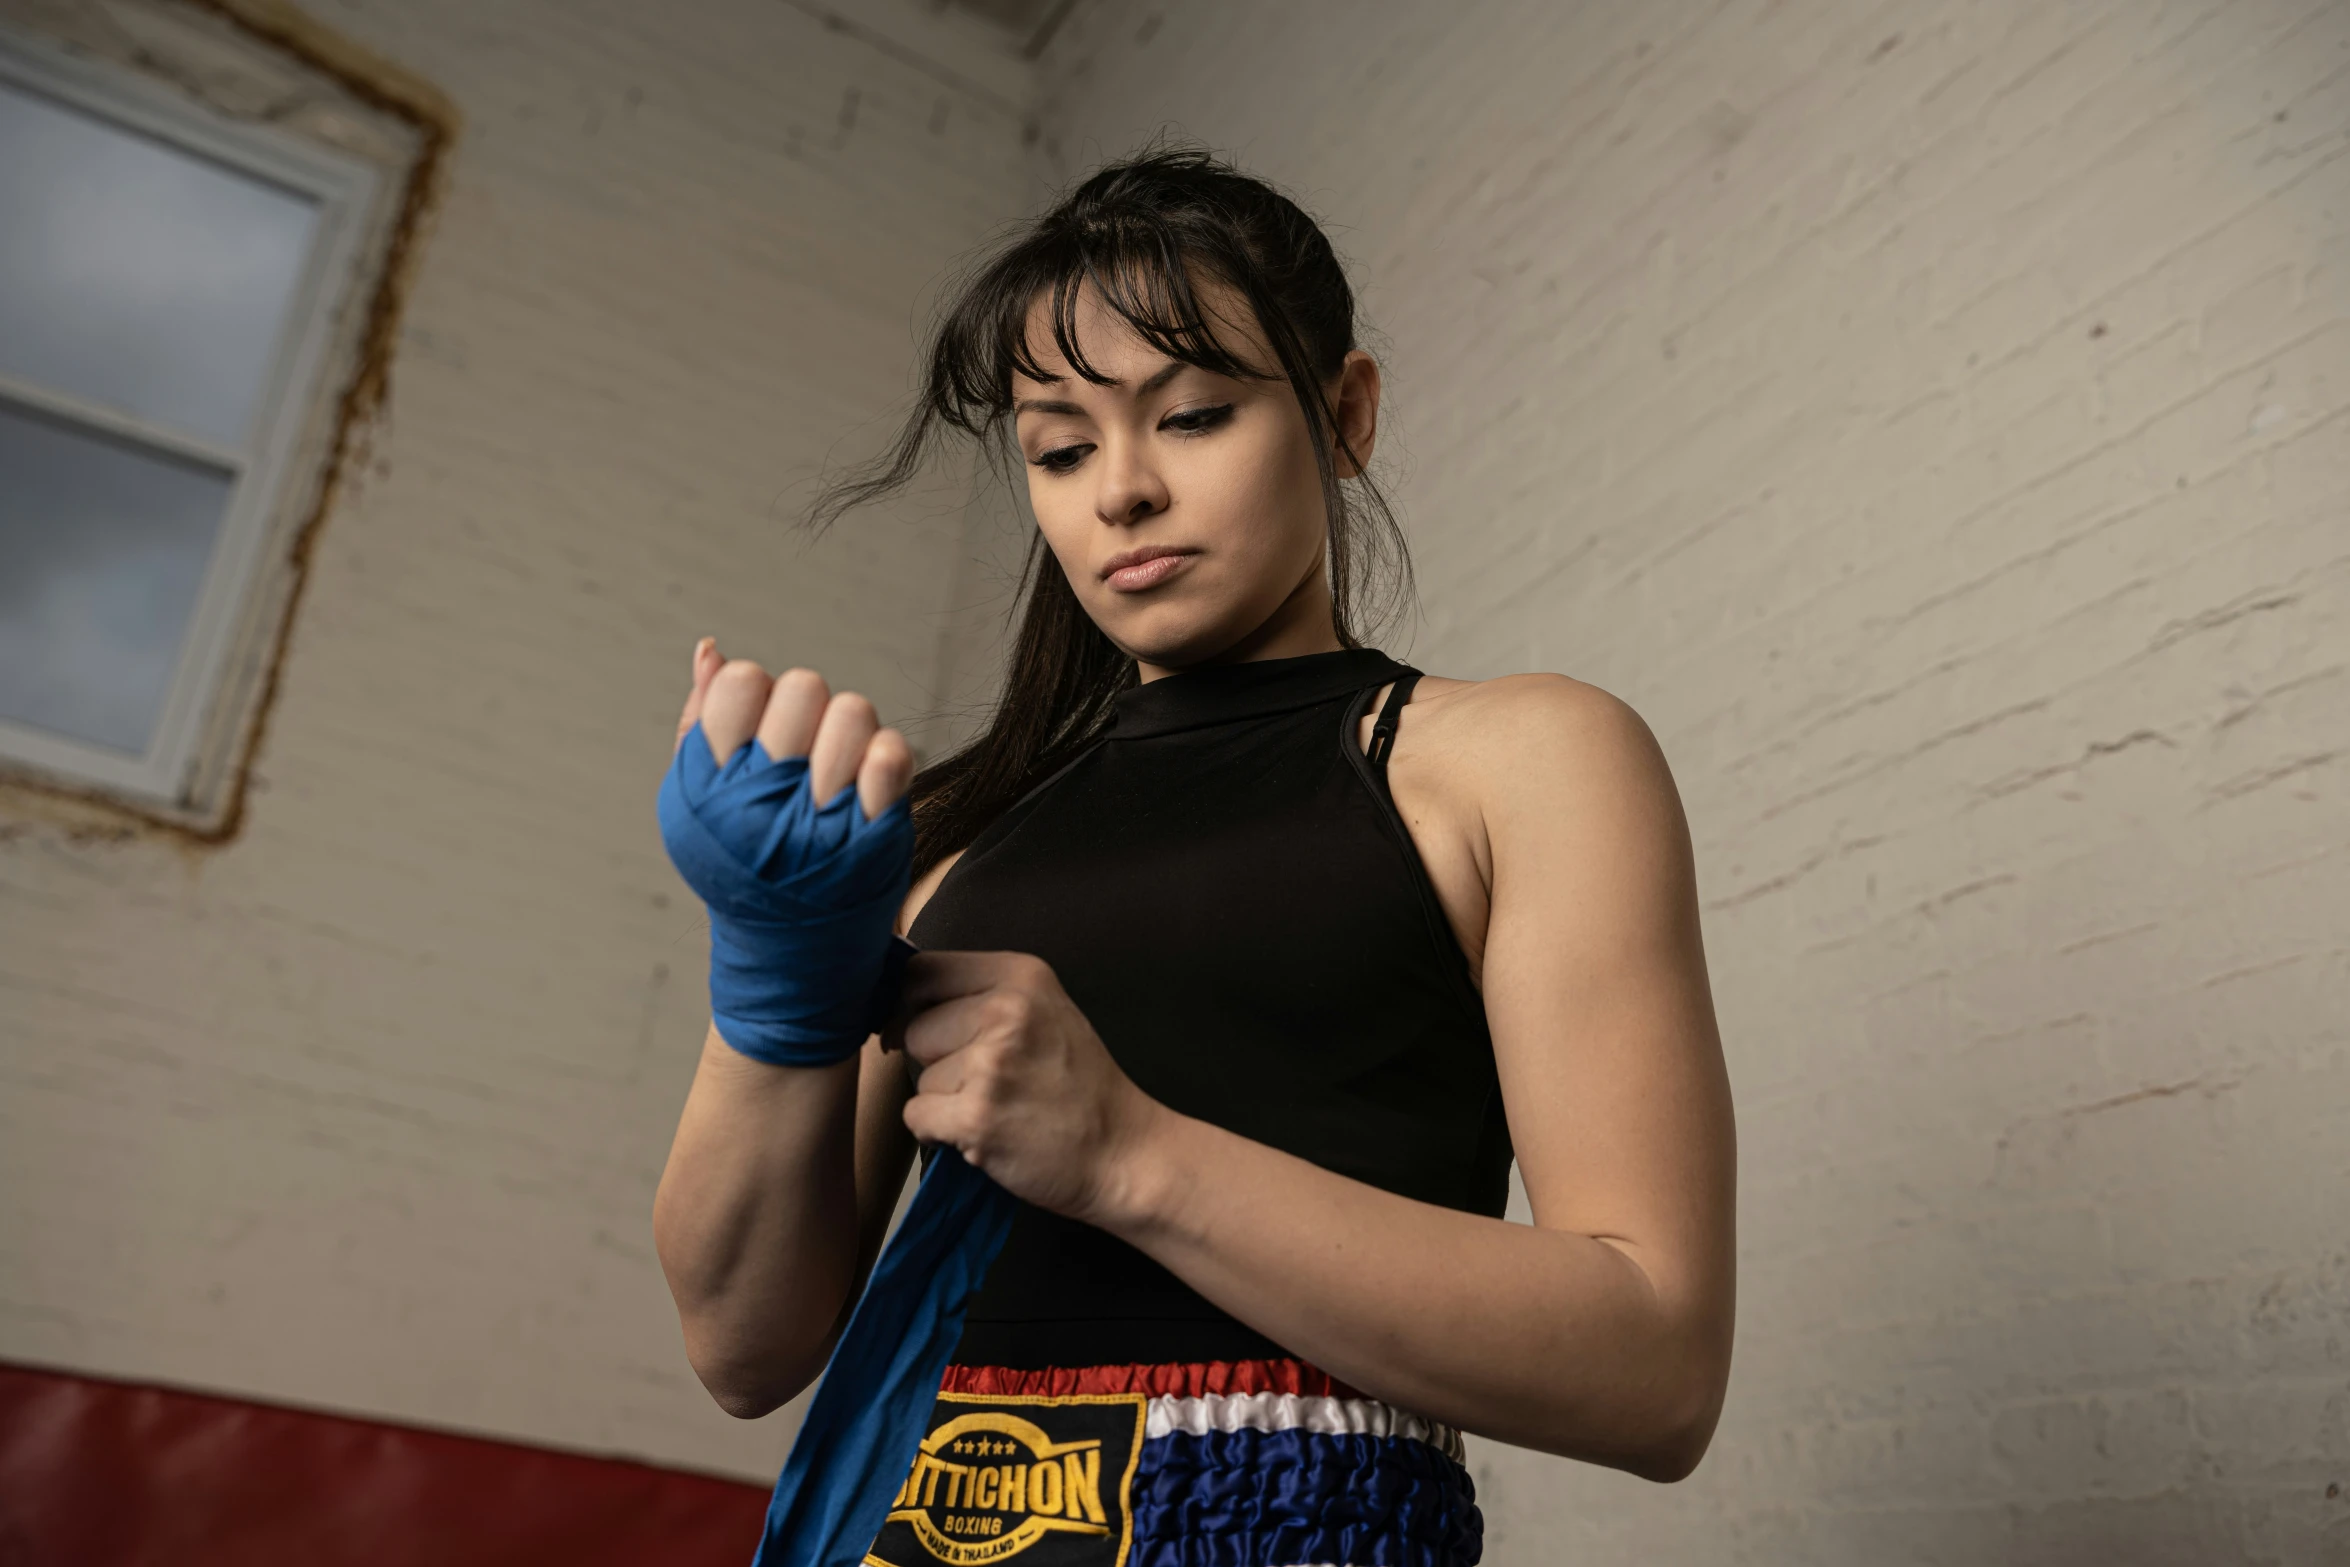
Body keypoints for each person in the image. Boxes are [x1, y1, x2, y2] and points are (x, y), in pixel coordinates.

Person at [652, 146, 1736, 1567]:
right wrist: (772, 987)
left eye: (1196, 413)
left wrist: (1131, 1155)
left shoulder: (1511, 757)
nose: (1121, 492)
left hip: (1284, 1529)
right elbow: (741, 1346)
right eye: (1058, 445)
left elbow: (1653, 1368)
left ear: (1342, 414)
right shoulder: (944, 844)